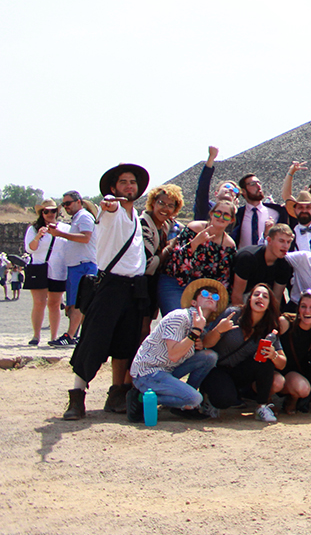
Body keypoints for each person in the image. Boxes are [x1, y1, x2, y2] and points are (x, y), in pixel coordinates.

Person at [65, 164, 151, 421]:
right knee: (93, 340)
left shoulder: (136, 216)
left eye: (133, 182)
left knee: (125, 344)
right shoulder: (111, 210)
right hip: (111, 285)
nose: (129, 186)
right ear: (114, 188)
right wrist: (109, 205)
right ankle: (77, 397)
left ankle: (115, 395)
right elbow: (108, 207)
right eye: (123, 182)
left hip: (133, 288)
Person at [126, 278, 224, 422]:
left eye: (215, 297)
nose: (210, 297)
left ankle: (183, 401)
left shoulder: (200, 325)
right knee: (195, 398)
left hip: (167, 370)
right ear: (194, 302)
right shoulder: (180, 317)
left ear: (216, 307)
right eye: (204, 293)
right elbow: (173, 354)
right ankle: (141, 397)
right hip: (148, 372)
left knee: (209, 357)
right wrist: (194, 333)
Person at [200, 283, 287, 422]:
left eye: (265, 296)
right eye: (256, 294)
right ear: (249, 299)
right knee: (224, 400)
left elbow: (282, 363)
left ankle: (262, 407)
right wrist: (219, 330)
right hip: (217, 368)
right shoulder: (233, 314)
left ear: (269, 304)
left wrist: (273, 355)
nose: (260, 298)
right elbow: (207, 343)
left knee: (265, 361)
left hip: (240, 372)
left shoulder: (270, 327)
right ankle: (209, 398)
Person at [157, 198, 237, 315]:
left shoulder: (229, 245)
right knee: (177, 321)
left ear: (231, 220)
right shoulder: (194, 228)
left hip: (202, 292)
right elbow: (175, 262)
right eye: (218, 213)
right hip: (175, 282)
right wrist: (195, 243)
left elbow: (223, 279)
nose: (221, 217)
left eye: (226, 215)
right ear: (211, 214)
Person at [47, 190, 98, 345]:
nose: (66, 207)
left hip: (83, 266)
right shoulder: (77, 218)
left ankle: (70, 336)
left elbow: (86, 237)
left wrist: (61, 234)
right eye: (63, 204)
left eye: (68, 203)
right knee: (72, 304)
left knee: (78, 303)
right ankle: (76, 335)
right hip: (76, 266)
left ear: (78, 202)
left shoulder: (83, 217)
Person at [277, 289, 311, 414]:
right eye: (303, 306)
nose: (307, 311)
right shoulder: (285, 323)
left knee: (303, 388)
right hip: (273, 370)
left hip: (292, 374)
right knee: (275, 382)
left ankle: (292, 399)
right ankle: (266, 401)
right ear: (298, 308)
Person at [138, 185, 182, 325]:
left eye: (170, 205)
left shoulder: (165, 224)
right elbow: (148, 264)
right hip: (141, 283)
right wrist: (170, 247)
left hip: (153, 283)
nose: (165, 209)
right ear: (153, 203)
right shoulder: (143, 225)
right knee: (141, 326)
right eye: (161, 203)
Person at [24, 200, 65, 347]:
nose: (49, 214)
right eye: (46, 211)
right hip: (39, 267)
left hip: (58, 269)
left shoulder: (65, 228)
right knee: (39, 303)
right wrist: (38, 236)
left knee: (54, 304)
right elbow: (30, 249)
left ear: (57, 212)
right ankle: (36, 335)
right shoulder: (34, 229)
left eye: (52, 211)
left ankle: (53, 336)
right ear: (42, 213)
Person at [231, 223, 295, 308]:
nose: (286, 246)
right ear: (269, 240)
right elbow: (236, 296)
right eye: (281, 241)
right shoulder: (248, 258)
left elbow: (276, 299)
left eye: (288, 242)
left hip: (265, 302)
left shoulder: (284, 266)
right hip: (242, 300)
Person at [231, 173, 285, 248]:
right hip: (244, 257)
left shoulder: (275, 213)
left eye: (259, 183)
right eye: (253, 184)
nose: (258, 186)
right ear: (243, 191)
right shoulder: (238, 215)